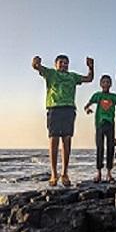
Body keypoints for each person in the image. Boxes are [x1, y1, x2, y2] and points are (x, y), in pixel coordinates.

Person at [32, 54, 94, 186]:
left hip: (69, 109)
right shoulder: (51, 73)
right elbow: (37, 67)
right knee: (53, 140)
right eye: (61, 62)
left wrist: (91, 67)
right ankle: (54, 173)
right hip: (54, 109)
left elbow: (89, 78)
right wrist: (35, 62)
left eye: (66, 63)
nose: (64, 65)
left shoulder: (72, 76)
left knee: (66, 140)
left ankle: (65, 173)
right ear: (56, 64)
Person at [84, 75, 116, 183]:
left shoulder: (114, 97)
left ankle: (109, 173)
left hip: (110, 124)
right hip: (99, 125)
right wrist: (88, 109)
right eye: (104, 82)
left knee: (110, 148)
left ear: (111, 84)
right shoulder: (97, 96)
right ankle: (98, 172)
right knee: (100, 148)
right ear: (100, 84)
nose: (106, 84)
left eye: (108, 82)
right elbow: (86, 106)